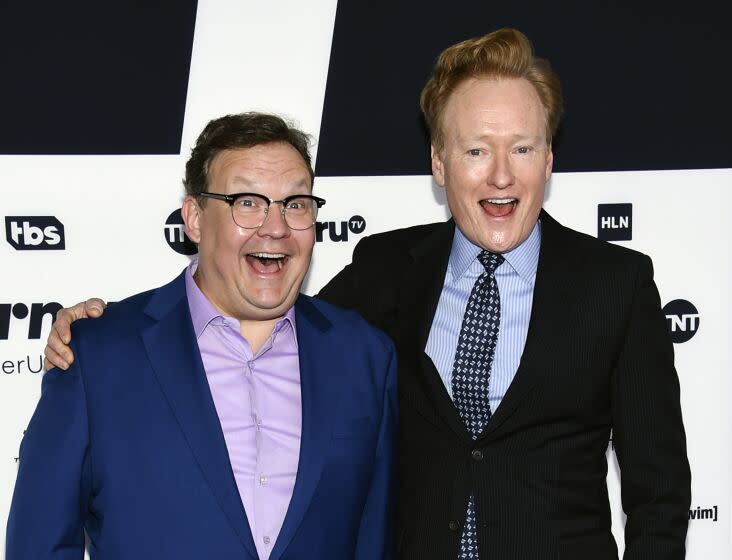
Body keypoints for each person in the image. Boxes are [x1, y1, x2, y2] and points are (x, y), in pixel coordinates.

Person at [43, 29, 691, 559]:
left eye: (522, 148)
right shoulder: (386, 269)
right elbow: (263, 319)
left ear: (549, 159)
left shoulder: (617, 285)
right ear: (439, 164)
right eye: (475, 150)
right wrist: (105, 335)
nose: (501, 174)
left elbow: (658, 491)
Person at [8, 113, 397, 560]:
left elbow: (373, 540)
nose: (276, 227)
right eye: (247, 202)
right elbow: (37, 546)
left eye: (295, 204)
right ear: (194, 217)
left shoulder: (364, 356)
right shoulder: (97, 356)